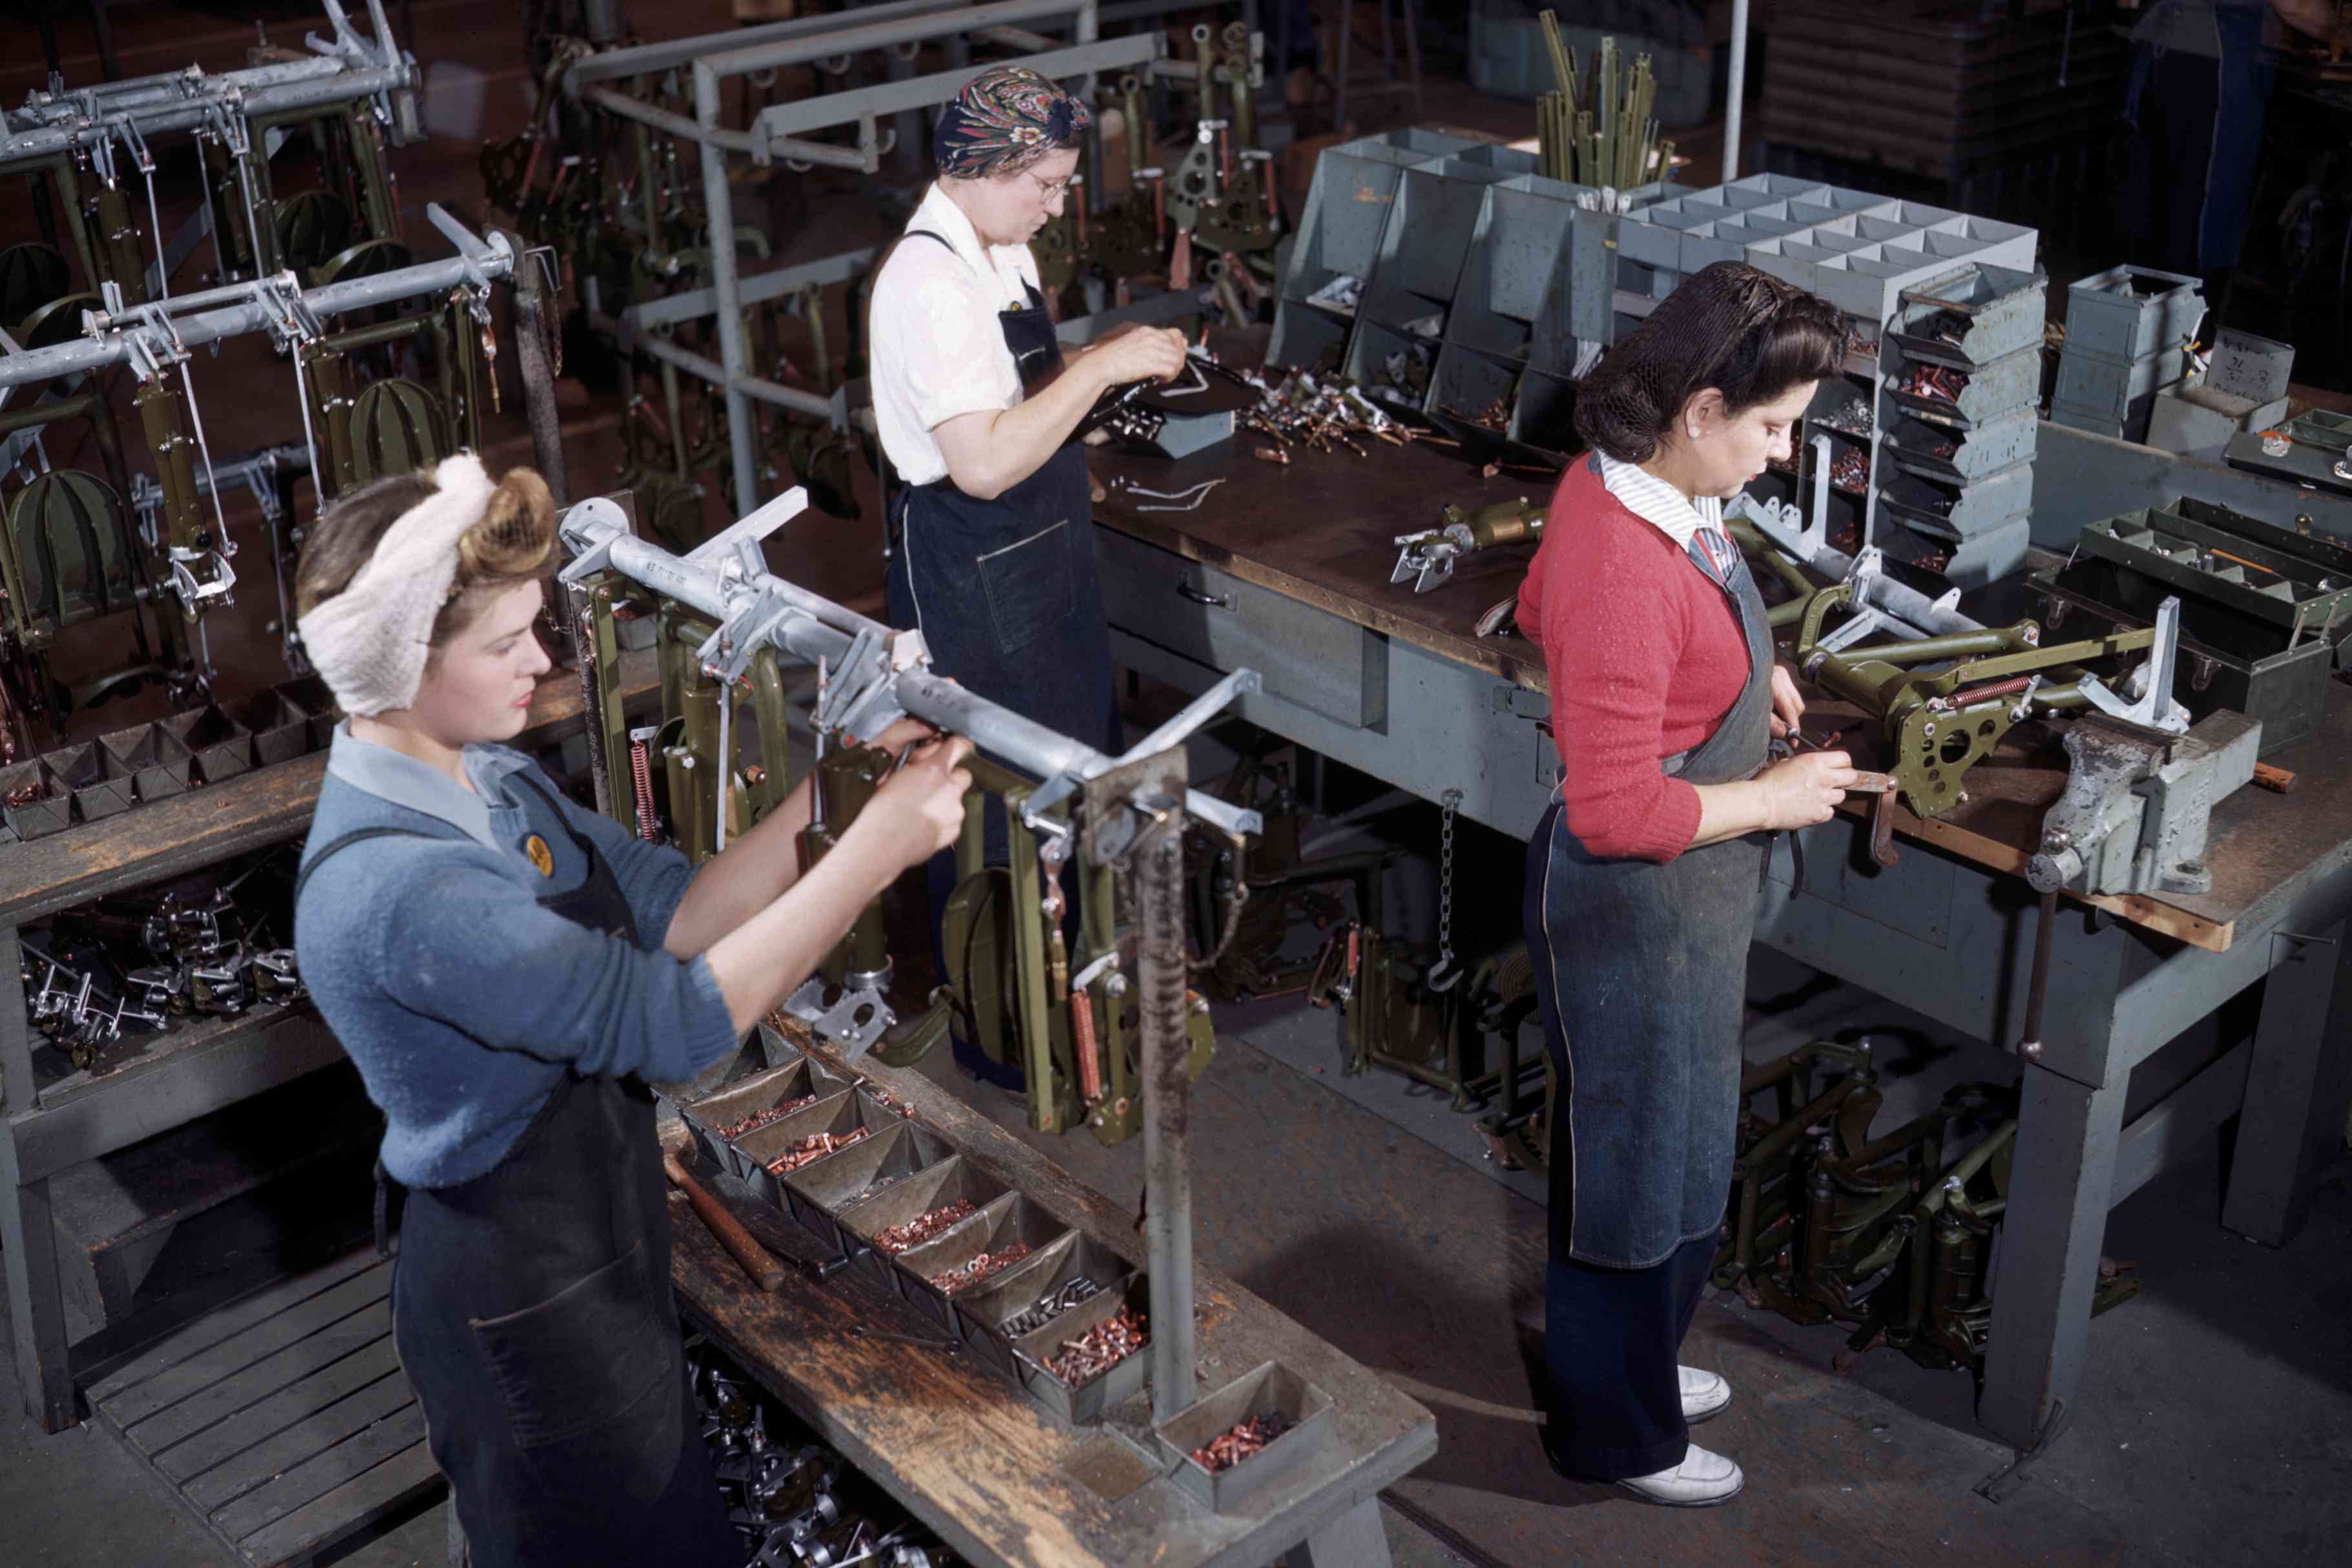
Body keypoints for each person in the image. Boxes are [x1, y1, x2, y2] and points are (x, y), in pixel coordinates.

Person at [289, 454, 971, 1567]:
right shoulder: (400, 888)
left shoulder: (490, 781)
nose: (544, 659)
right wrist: (877, 855)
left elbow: (679, 911)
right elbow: (671, 1022)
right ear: (402, 667)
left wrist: (835, 793)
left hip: (596, 1224)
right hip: (519, 1284)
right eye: (505, 643)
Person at [1514, 262, 1858, 1508]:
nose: (1780, 456)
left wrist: (1728, 675)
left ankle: (1640, 1357)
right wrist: (1770, 796)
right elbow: (1614, 809)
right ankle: (1617, 1432)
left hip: (1685, 908)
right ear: (1701, 410)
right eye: (1772, 429)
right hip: (1631, 907)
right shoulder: (1626, 555)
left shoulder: (1638, 485)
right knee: (1630, 1171)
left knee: (1679, 1143)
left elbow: (1536, 595)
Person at [868, 65, 1184, 1084]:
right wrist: (1101, 364)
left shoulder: (1004, 251)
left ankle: (1080, 1023)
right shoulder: (928, 284)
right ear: (981, 167)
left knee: (1071, 792)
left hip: (1040, 569)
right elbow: (984, 460)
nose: (1055, 205)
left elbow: (1018, 409)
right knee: (999, 822)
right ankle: (1010, 1051)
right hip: (974, 580)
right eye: (1043, 184)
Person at [2121, 0, 2352, 298]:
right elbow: (2296, 6)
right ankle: (2179, 331)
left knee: (2159, 222)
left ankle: (2148, 323)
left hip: (2170, 53)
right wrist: (2342, 29)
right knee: (2189, 229)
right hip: (2204, 70)